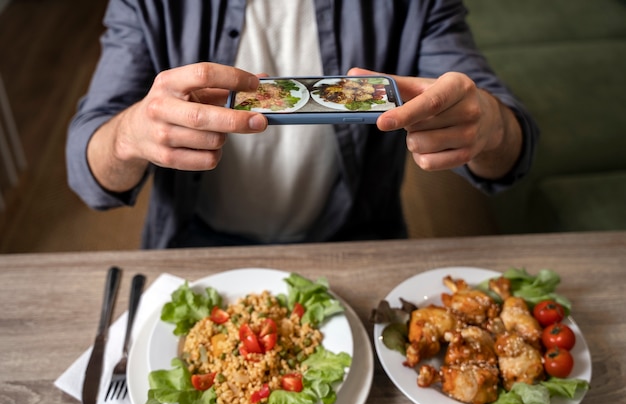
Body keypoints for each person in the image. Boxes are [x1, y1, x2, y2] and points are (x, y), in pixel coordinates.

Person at [66, 0, 538, 249]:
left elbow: (511, 153)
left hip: (357, 242)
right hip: (196, 243)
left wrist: (492, 127)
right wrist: (128, 134)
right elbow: (88, 175)